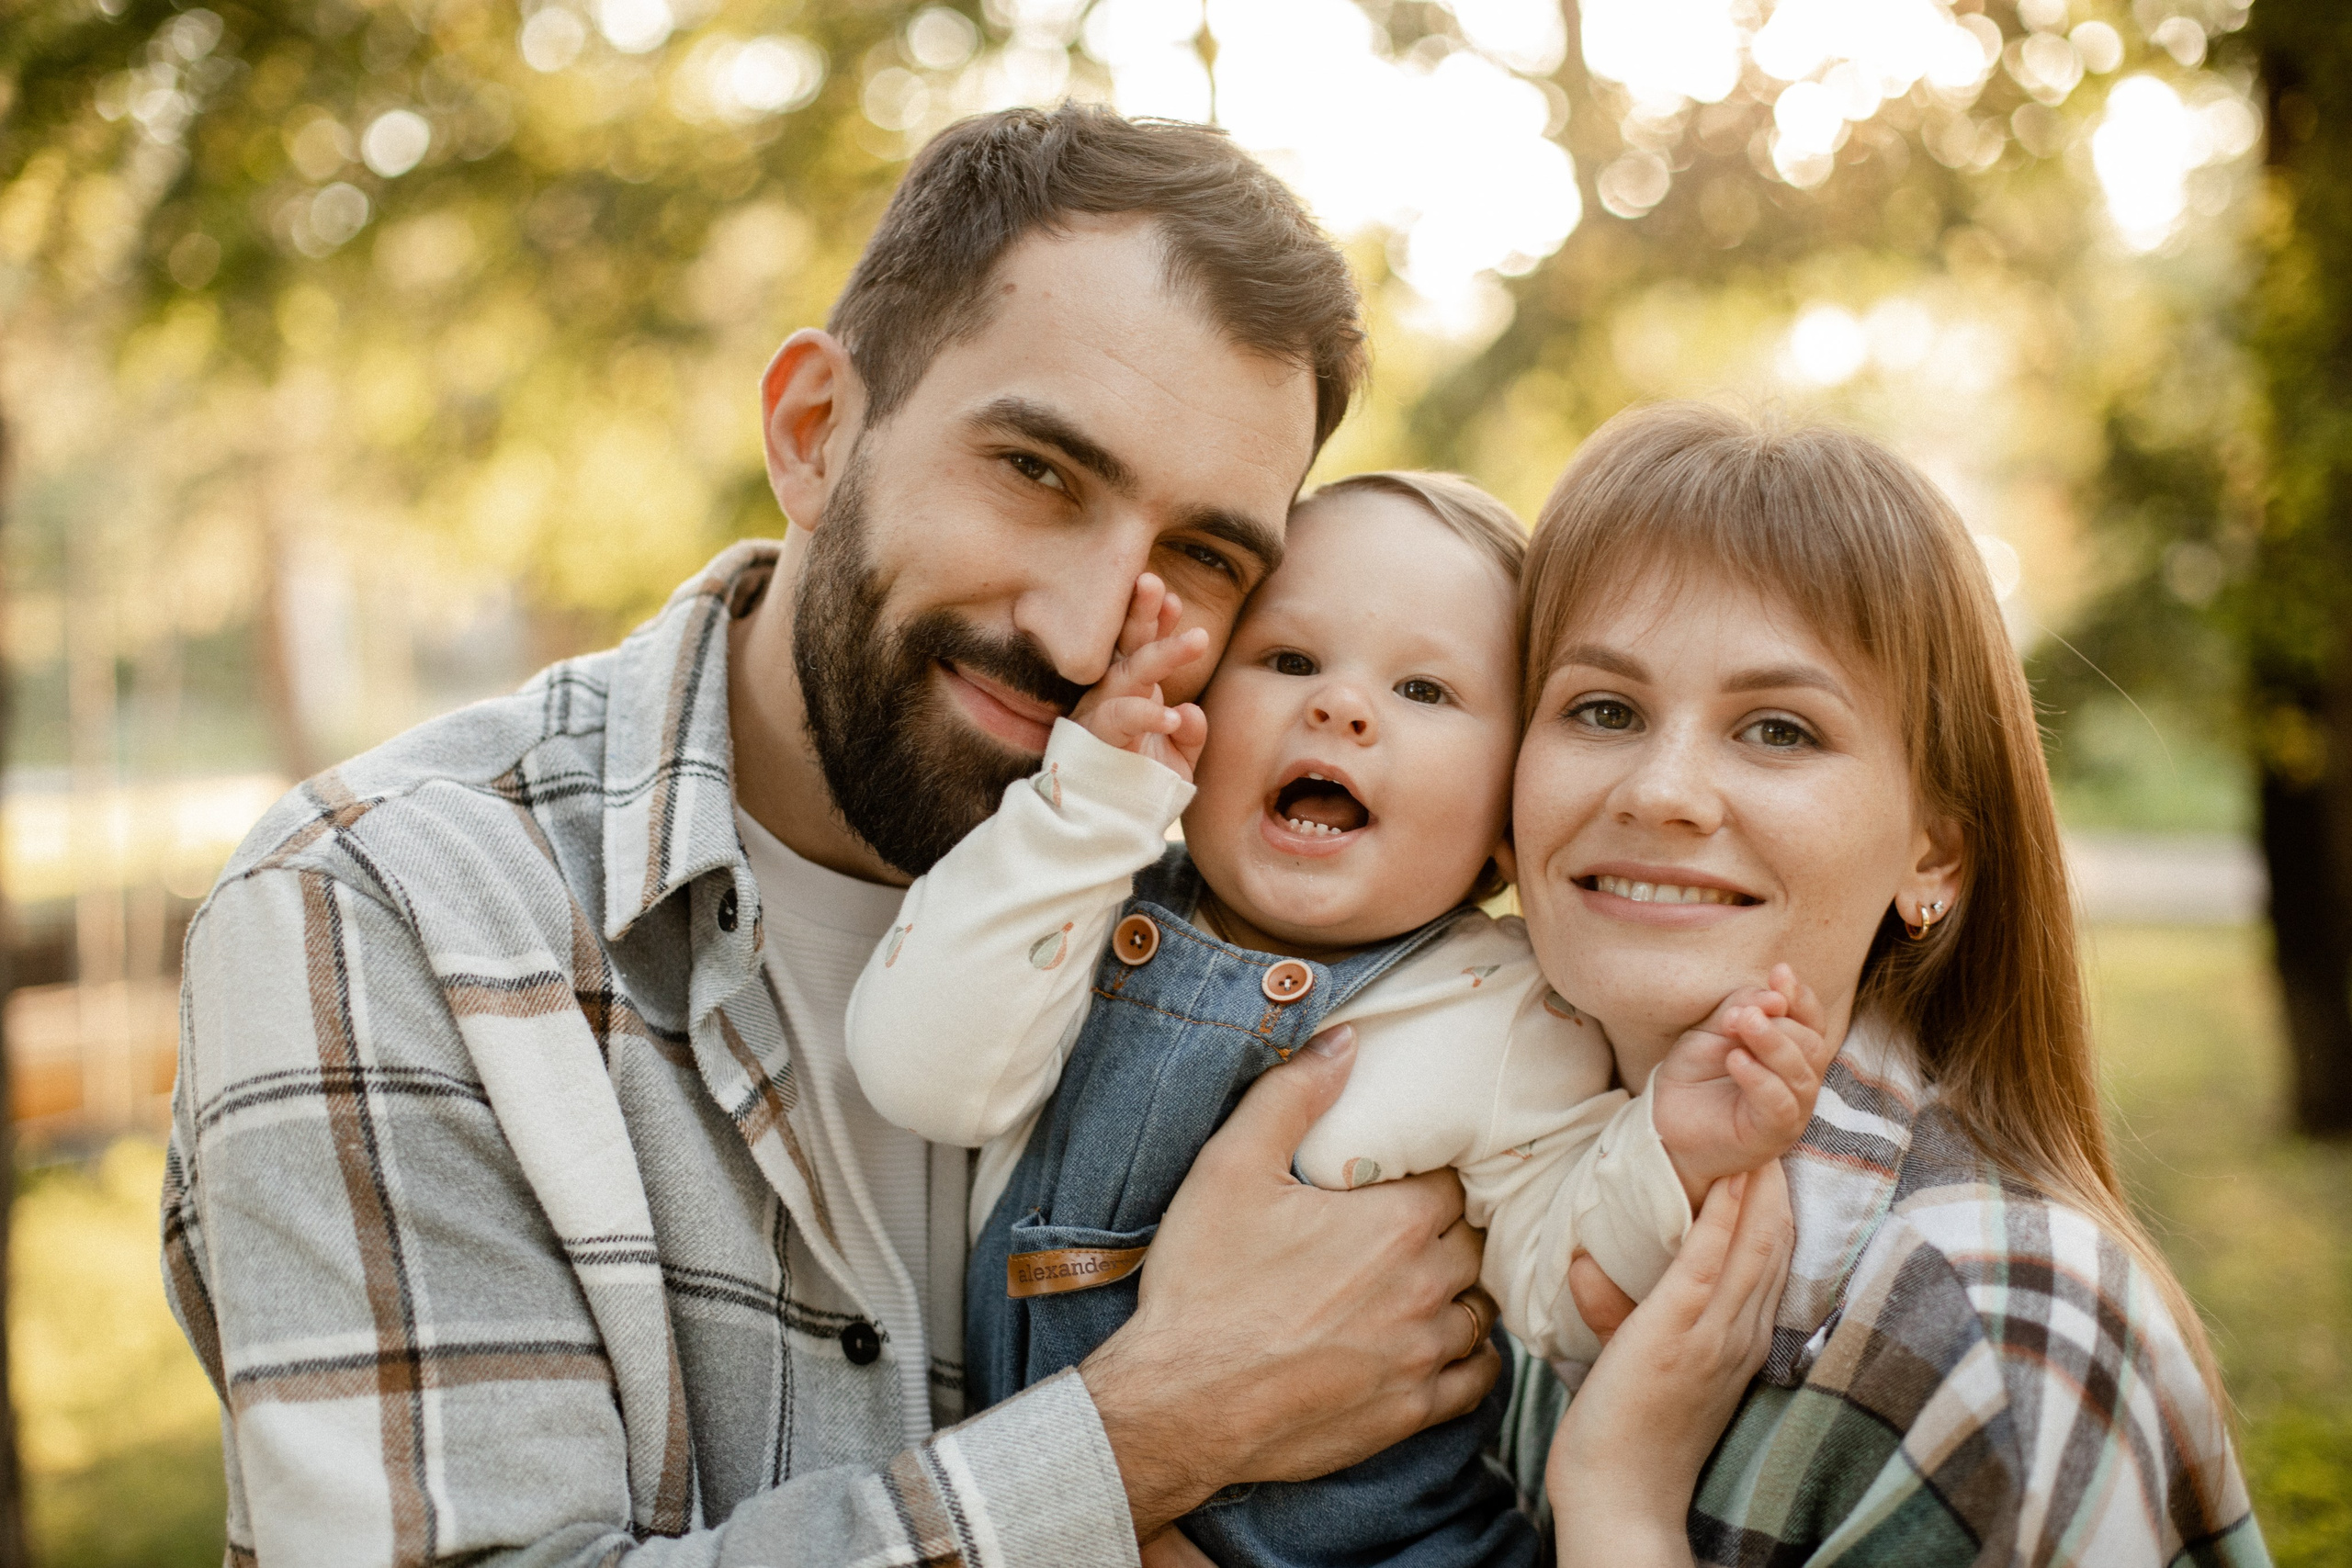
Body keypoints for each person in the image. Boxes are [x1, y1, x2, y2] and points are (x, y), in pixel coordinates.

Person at [160, 105, 1504, 1565]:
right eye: (1039, 472)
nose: (1078, 625)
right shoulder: (391, 906)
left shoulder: (1290, 925)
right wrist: (1156, 1432)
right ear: (814, 433)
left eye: (1202, 552)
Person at [842, 469, 1833, 1567]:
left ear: (1506, 824)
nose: (1342, 706)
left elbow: (1564, 1292)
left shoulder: (1502, 1012)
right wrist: (1088, 805)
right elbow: (924, 1077)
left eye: (1424, 692)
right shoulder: (1077, 908)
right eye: (1289, 661)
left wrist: (1672, 1149)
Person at [1503, 402, 2267, 1564]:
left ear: (1934, 855)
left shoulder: (1996, 1337)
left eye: (1777, 730)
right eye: (1602, 709)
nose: (1662, 792)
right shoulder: (1464, 1184)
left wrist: (1617, 1505)